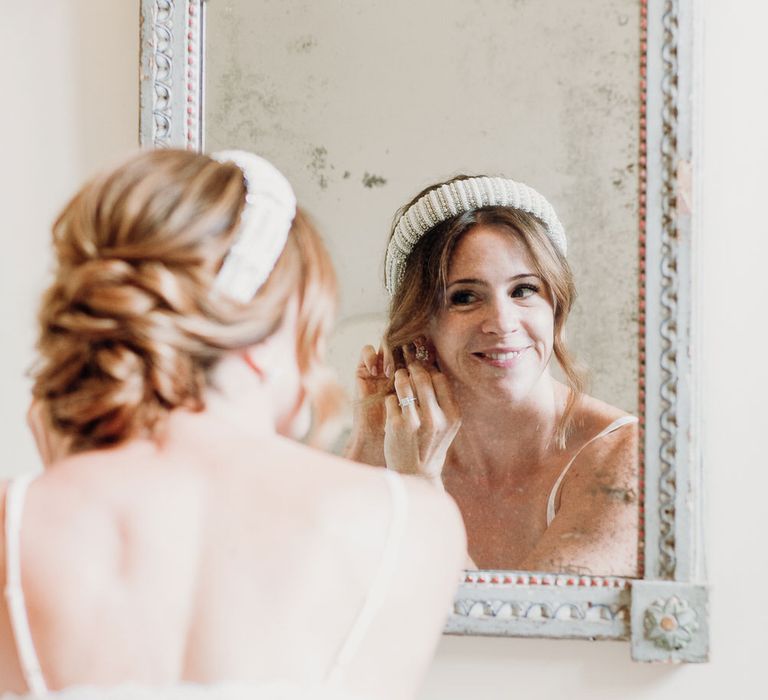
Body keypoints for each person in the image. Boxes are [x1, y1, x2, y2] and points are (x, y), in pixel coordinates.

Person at [0, 149, 465, 699]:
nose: (312, 366)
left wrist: (70, 475)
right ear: (261, 339)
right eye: (311, 335)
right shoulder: (412, 523)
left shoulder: (19, 520)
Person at [346, 175, 639, 576]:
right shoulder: (410, 453)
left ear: (556, 306)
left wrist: (421, 487)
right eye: (465, 297)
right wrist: (371, 444)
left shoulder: (623, 458)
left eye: (523, 291)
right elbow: (315, 602)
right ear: (421, 327)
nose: (502, 323)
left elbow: (521, 632)